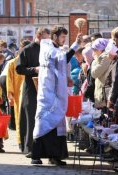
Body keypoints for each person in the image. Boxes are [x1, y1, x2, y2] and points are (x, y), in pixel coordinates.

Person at [31, 26, 82, 165]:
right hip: (47, 94)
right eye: (62, 37)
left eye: (65, 37)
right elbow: (62, 58)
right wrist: (75, 45)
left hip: (57, 93)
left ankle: (55, 156)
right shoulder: (47, 47)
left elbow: (62, 60)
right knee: (43, 122)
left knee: (57, 124)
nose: (63, 40)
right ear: (54, 37)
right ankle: (36, 155)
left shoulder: (56, 49)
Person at [16, 28, 50, 156]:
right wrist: (34, 69)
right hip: (30, 88)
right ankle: (29, 147)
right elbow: (19, 69)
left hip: (45, 87)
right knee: (30, 117)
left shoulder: (47, 49)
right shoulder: (27, 50)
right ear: (39, 36)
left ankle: (43, 147)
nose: (47, 41)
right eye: (45, 38)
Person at [6, 39, 31, 147]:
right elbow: (9, 80)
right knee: (19, 117)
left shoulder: (32, 62)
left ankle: (29, 140)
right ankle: (21, 140)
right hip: (17, 95)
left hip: (30, 93)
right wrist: (10, 94)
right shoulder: (12, 63)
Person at [91, 38, 111, 108]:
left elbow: (94, 73)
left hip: (105, 94)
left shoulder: (105, 57)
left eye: (95, 49)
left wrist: (94, 61)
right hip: (103, 92)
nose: (93, 52)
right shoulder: (101, 57)